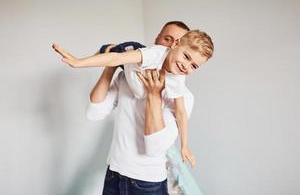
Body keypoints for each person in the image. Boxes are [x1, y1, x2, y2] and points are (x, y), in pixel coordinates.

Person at [53, 22, 211, 194]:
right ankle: (105, 48)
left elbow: (156, 144)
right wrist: (79, 62)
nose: (186, 66)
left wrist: (184, 144)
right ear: (167, 43)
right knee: (116, 51)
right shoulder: (150, 55)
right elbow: (94, 112)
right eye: (167, 38)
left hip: (147, 182)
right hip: (114, 173)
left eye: (194, 65)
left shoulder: (179, 83)